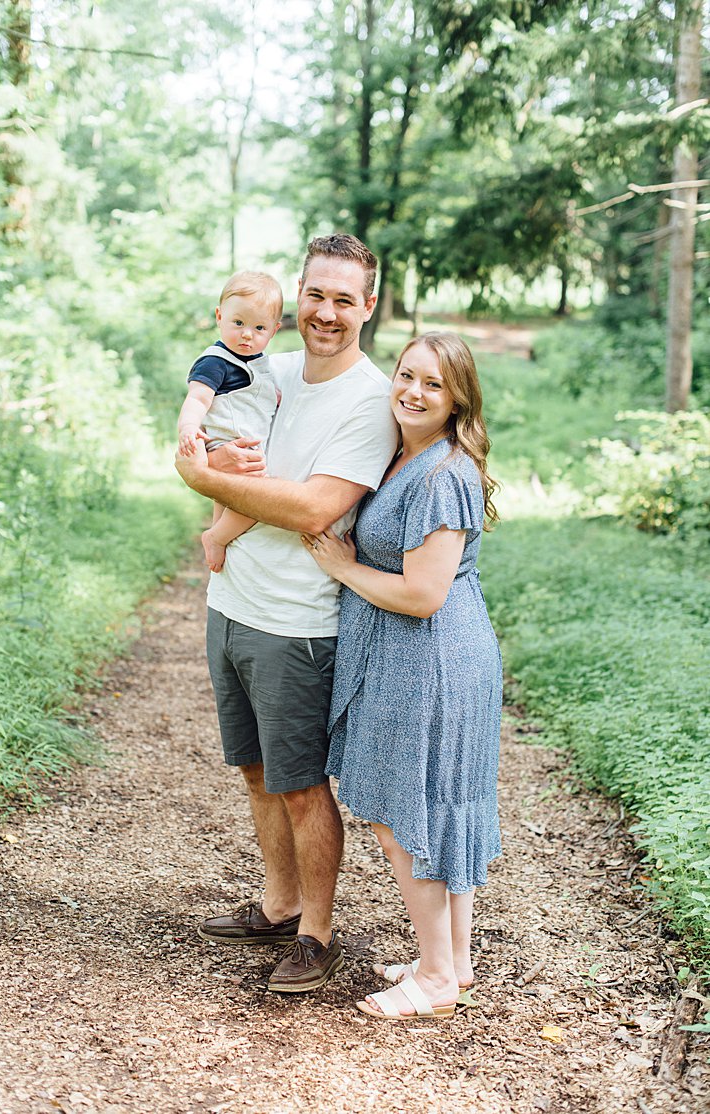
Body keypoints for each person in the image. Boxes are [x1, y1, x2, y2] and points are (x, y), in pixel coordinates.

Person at [174, 233, 398, 994]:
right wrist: (200, 467)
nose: (326, 313)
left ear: (368, 307)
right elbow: (195, 451)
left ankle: (317, 932)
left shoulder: (371, 401)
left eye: (344, 299)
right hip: (230, 600)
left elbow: (314, 506)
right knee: (255, 769)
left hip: (299, 622)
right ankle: (277, 905)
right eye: (316, 295)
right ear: (295, 296)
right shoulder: (261, 365)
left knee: (301, 785)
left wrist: (213, 486)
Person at [303, 331, 502, 1020]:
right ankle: (453, 962)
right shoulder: (404, 456)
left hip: (433, 660)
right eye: (406, 375)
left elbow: (424, 595)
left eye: (434, 385)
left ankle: (437, 980)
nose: (413, 393)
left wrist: (342, 569)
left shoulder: (443, 475)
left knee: (402, 819)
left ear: (457, 401)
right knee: (437, 809)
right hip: (414, 657)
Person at [173, 271, 284, 573]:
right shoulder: (216, 361)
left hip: (244, 444)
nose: (247, 334)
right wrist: (188, 428)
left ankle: (218, 534)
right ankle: (216, 537)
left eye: (259, 327)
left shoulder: (260, 363)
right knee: (263, 498)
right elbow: (197, 398)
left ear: (273, 331)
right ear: (220, 317)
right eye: (238, 323)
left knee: (226, 498)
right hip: (230, 443)